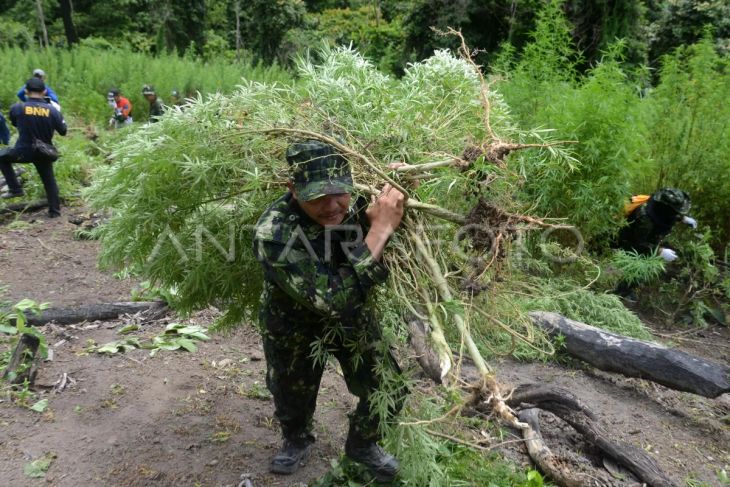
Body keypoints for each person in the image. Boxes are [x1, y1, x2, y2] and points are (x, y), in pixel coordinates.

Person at [253, 140, 407, 482]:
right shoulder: (274, 233)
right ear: (292, 188)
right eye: (317, 195)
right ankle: (296, 438)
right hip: (293, 320)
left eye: (340, 191)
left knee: (389, 386)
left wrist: (397, 181)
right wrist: (381, 230)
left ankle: (363, 444)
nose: (332, 205)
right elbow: (333, 299)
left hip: (351, 316)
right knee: (291, 393)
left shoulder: (354, 200)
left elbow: (386, 201)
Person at [0, 78, 67, 217]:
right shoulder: (52, 111)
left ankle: (15, 188)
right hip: (44, 152)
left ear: (26, 91)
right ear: (44, 92)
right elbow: (63, 131)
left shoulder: (17, 108)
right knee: (49, 181)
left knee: (2, 156)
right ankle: (55, 212)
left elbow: (15, 123)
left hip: (23, 151)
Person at [614, 188, 697, 297]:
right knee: (638, 265)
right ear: (667, 208)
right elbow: (638, 244)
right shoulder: (645, 219)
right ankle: (621, 292)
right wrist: (659, 251)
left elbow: (667, 214)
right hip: (630, 241)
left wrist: (682, 218)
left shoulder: (659, 205)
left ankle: (628, 288)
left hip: (647, 237)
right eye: (677, 211)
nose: (676, 213)